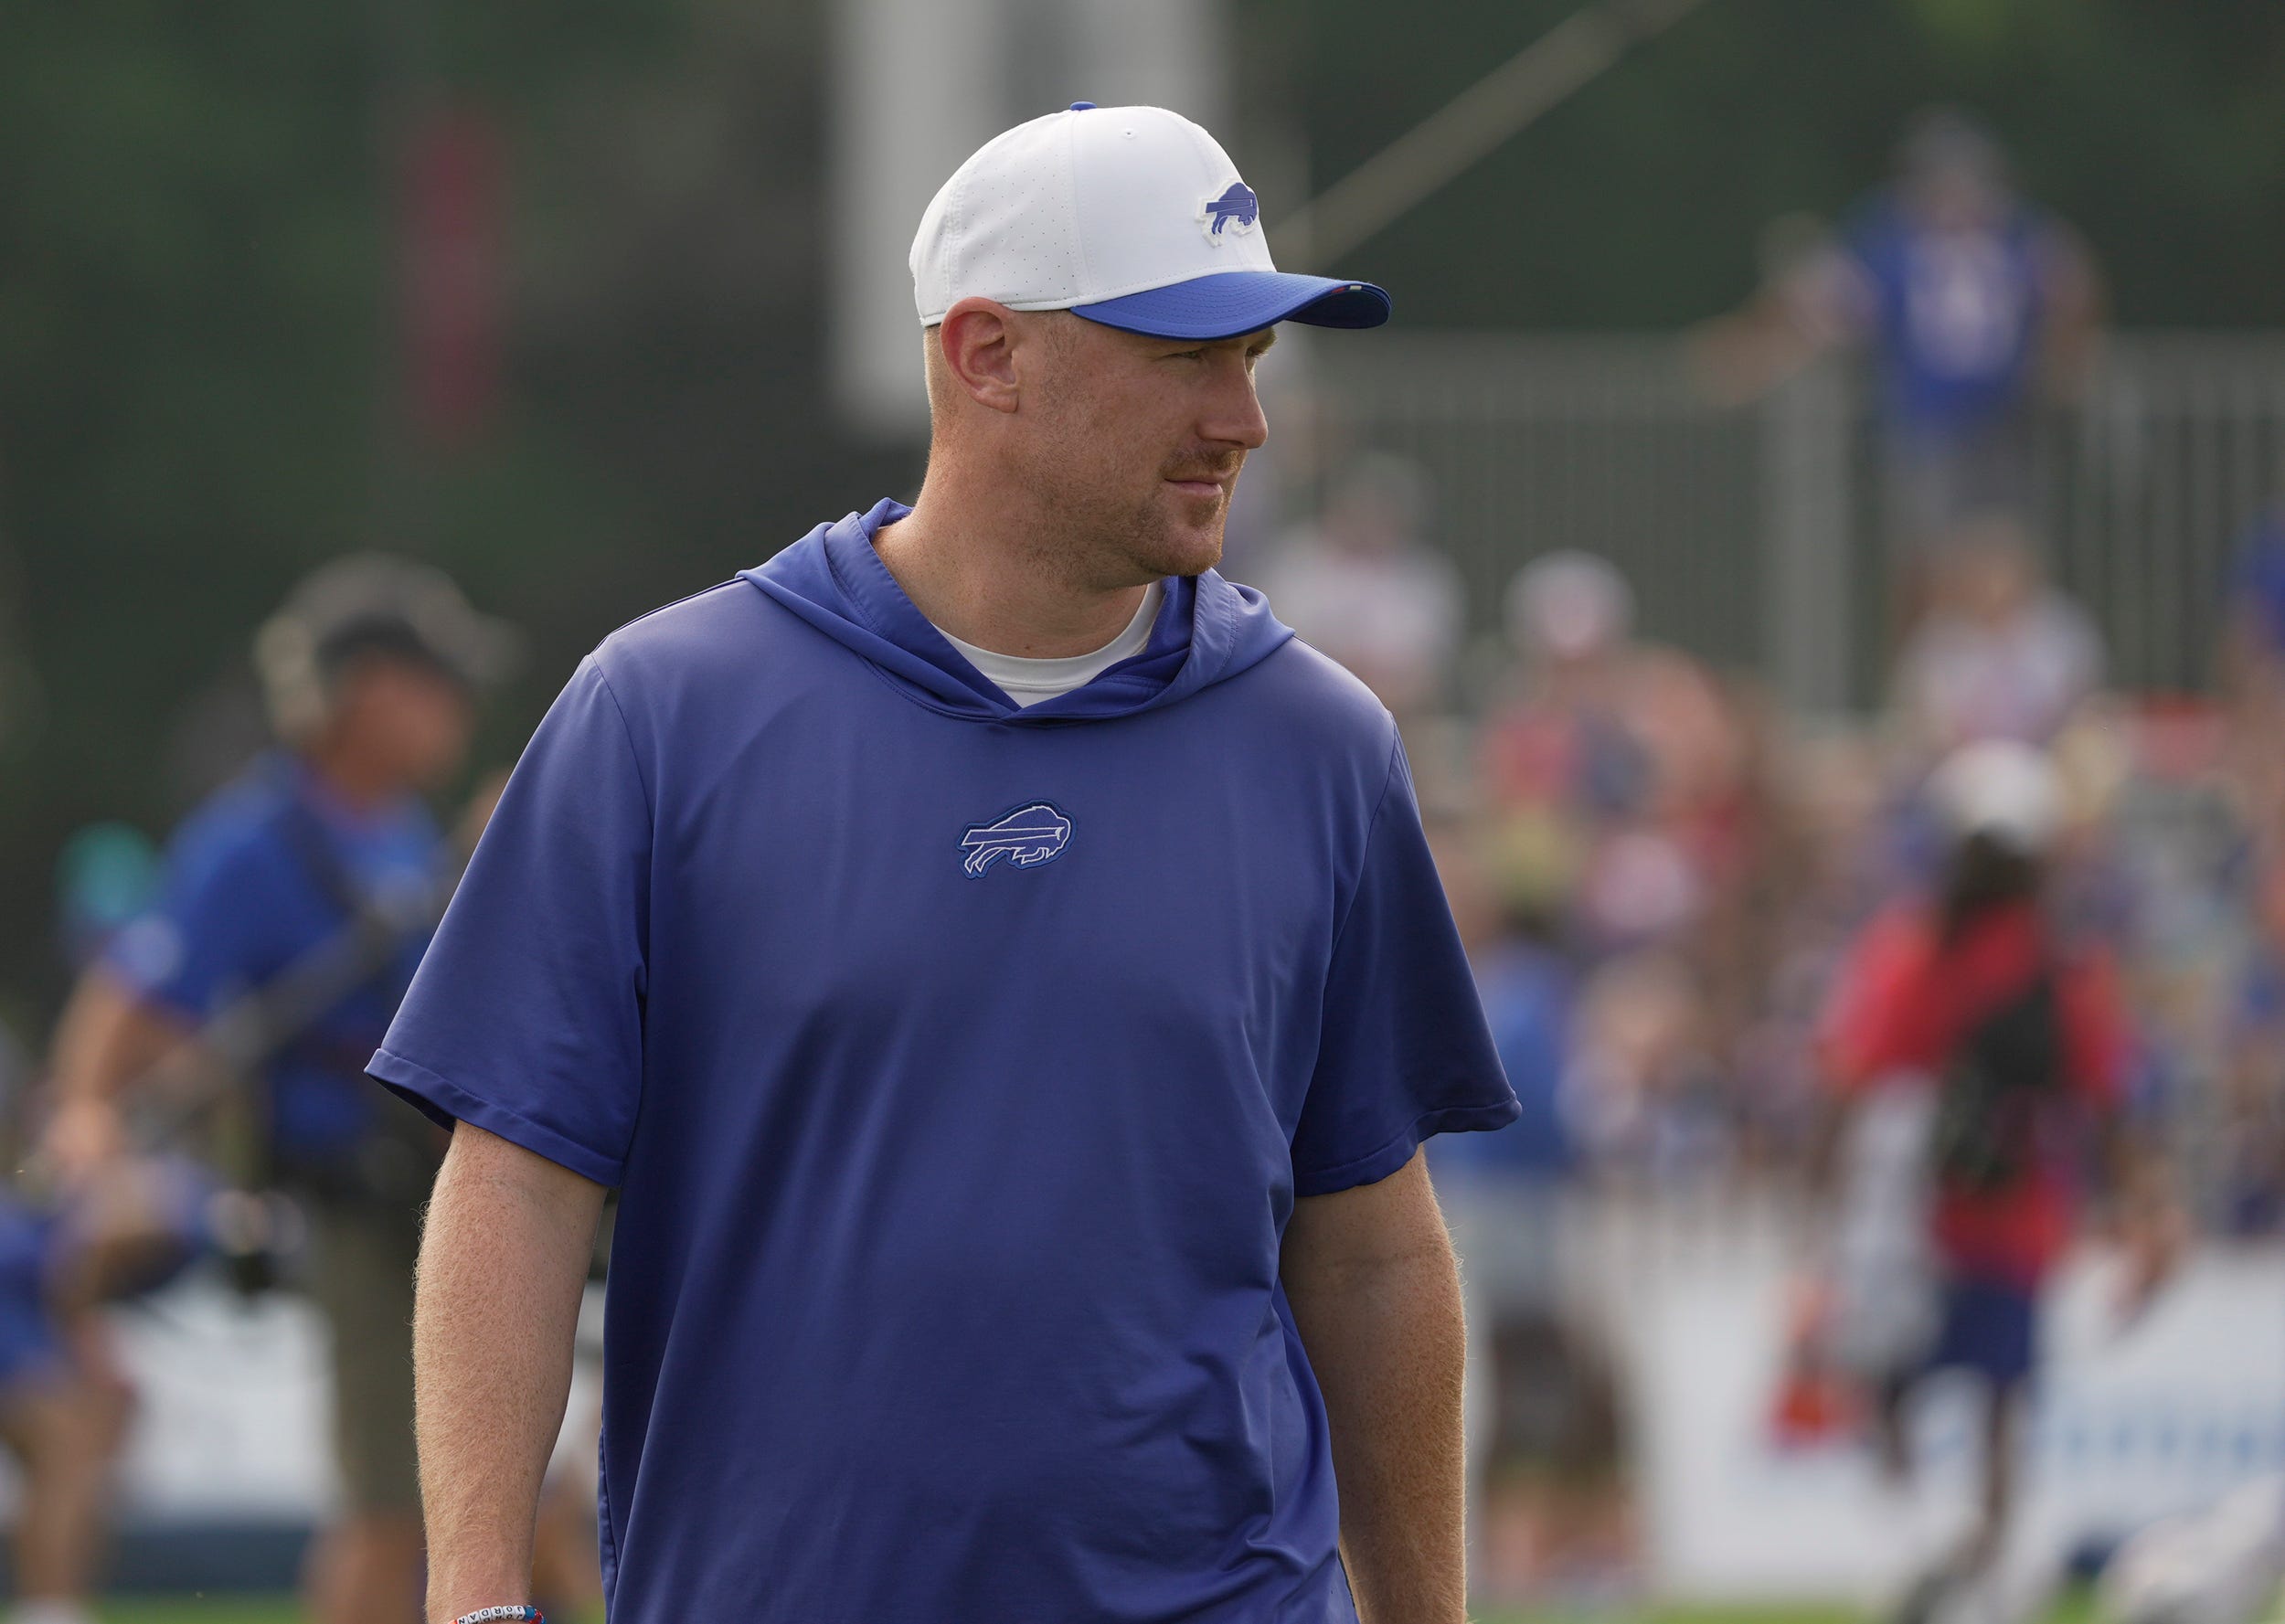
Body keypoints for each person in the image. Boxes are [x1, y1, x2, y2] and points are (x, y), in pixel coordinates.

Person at [387, 102, 1518, 1624]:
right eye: (1190, 355)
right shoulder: (664, 714)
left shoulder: (1321, 743)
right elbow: (517, 1183)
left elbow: (1373, 1245)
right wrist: (472, 1602)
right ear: (987, 355)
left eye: (1253, 362)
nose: (1245, 419)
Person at [39, 555, 516, 1624]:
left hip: (435, 1197)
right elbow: (126, 1013)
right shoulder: (254, 840)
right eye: (438, 681)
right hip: (355, 1205)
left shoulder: (399, 832)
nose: (458, 708)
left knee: (503, 1499)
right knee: (396, 1507)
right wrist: (91, 1132)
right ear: (372, 689)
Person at [1815, 740, 2174, 1614]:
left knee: (1894, 1391)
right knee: (2000, 1410)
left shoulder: (1910, 952)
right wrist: (2149, 1213)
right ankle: (1978, 1569)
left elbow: (1850, 1080)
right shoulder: (2059, 964)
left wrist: (1822, 1207)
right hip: (2013, 1219)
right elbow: (2111, 1105)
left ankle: (1925, 1551)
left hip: (1914, 1227)